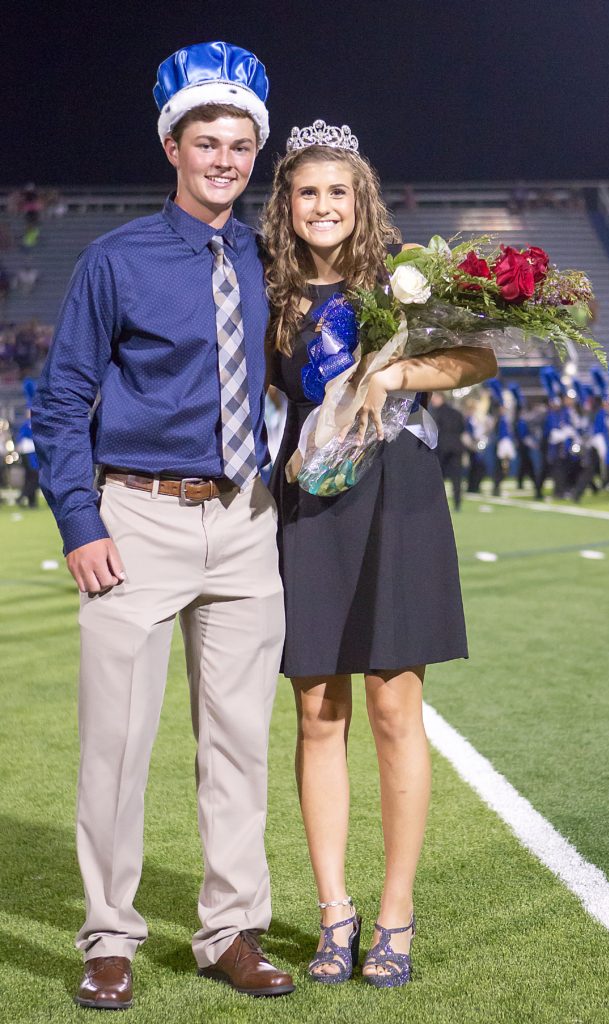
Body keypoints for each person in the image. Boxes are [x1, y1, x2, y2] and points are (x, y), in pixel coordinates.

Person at [31, 41, 294, 1008]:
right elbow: (61, 402)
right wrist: (79, 522)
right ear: (173, 147)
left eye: (240, 144)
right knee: (116, 747)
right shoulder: (114, 258)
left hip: (244, 521)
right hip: (134, 519)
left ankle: (231, 928)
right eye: (207, 141)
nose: (225, 159)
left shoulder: (273, 260)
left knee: (236, 746)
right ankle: (110, 936)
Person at [263, 122, 497, 987]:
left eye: (337, 191)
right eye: (306, 192)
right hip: (310, 499)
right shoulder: (266, 289)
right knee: (317, 710)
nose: (322, 206)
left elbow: (477, 358)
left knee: (395, 707)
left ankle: (394, 913)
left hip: (396, 493)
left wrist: (396, 375)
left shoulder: (406, 282)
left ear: (360, 200)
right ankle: (335, 913)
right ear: (285, 205)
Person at [430, 392, 466, 511]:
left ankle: (437, 503)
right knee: (457, 478)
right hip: (457, 447)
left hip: (442, 448)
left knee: (438, 478)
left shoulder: (436, 413)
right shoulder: (456, 413)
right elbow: (462, 429)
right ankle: (457, 504)